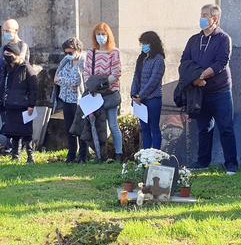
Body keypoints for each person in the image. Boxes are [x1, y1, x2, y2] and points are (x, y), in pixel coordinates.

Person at [183, 4, 237, 174]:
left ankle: (231, 164)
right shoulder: (193, 39)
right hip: (199, 92)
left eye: (205, 15)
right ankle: (203, 161)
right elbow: (184, 61)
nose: (202, 18)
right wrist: (195, 79)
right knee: (203, 128)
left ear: (215, 18)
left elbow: (221, 63)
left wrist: (201, 76)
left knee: (226, 128)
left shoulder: (223, 38)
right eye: (201, 14)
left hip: (220, 91)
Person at [85, 22, 123, 158]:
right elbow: (86, 72)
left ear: (108, 35)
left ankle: (119, 154)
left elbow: (117, 72)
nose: (101, 37)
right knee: (96, 125)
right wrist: (91, 86)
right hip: (95, 94)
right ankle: (100, 154)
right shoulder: (91, 53)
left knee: (113, 125)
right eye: (98, 34)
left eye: (103, 34)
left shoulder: (115, 52)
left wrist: (104, 83)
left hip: (110, 93)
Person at [0, 42, 37, 163]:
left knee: (26, 133)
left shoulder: (26, 68)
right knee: (13, 132)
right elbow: (2, 85)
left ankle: (30, 156)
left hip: (24, 106)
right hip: (10, 105)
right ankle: (15, 155)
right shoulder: (6, 67)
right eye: (5, 54)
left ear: (16, 54)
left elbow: (34, 88)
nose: (7, 56)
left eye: (9, 54)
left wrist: (31, 104)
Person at [0, 19, 30, 134]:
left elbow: (21, 62)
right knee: (5, 119)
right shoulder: (4, 47)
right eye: (4, 31)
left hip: (15, 89)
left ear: (16, 30)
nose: (5, 33)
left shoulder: (22, 45)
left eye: (8, 30)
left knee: (16, 120)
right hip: (2, 88)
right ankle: (9, 144)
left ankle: (17, 146)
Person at [54, 38, 89, 163]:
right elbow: (55, 77)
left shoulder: (84, 61)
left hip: (78, 100)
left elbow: (77, 82)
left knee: (80, 128)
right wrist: (64, 81)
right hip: (66, 98)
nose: (68, 55)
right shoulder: (66, 60)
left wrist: (62, 80)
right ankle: (71, 153)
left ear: (78, 49)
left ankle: (83, 155)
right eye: (66, 53)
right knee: (69, 128)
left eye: (70, 52)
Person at [131, 31, 166, 150]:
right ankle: (145, 156)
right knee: (144, 128)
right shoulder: (141, 58)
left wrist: (141, 95)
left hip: (153, 99)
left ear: (152, 44)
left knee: (154, 128)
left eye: (145, 43)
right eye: (142, 44)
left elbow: (154, 80)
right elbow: (136, 77)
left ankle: (155, 156)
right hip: (140, 100)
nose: (143, 46)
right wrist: (134, 95)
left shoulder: (159, 59)